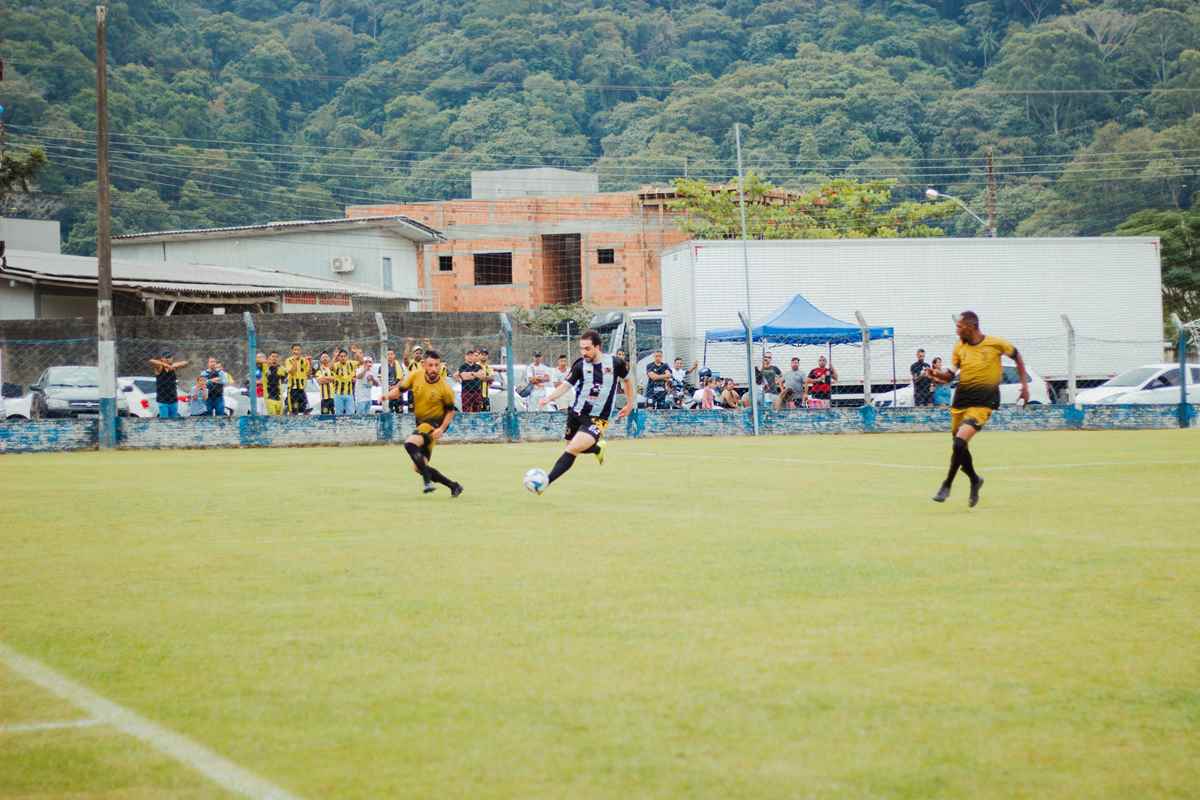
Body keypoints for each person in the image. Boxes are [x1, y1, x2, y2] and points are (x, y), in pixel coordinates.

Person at [926, 311, 1029, 507]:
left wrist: (1025, 386)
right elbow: (950, 375)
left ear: (971, 327)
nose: (957, 331)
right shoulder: (959, 347)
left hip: (984, 402)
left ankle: (946, 484)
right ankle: (975, 479)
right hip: (961, 401)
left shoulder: (995, 344)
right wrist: (936, 375)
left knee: (958, 443)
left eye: (960, 327)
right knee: (960, 448)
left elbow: (1018, 357)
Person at [534, 329, 634, 491]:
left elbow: (628, 381)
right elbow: (566, 386)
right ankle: (597, 447)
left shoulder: (616, 363)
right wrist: (549, 398)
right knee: (572, 446)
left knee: (572, 448)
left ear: (598, 347)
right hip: (576, 414)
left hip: (598, 418)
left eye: (587, 348)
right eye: (581, 348)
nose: (584, 352)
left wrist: (630, 404)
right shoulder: (580, 365)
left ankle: (545, 482)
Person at [382, 350, 463, 496]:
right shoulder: (415, 375)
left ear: (440, 366)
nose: (434, 369)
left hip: (434, 424)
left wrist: (442, 429)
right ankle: (454, 486)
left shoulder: (445, 388)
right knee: (418, 467)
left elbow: (451, 411)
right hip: (421, 424)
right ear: (423, 365)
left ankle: (427, 482)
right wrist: (386, 396)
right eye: (430, 365)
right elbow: (399, 390)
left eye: (436, 365)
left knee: (410, 444)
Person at [148, 352, 188, 418]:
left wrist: (173, 366)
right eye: (166, 358)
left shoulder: (173, 367)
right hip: (163, 400)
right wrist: (165, 365)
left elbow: (185, 363)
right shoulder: (160, 368)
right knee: (164, 421)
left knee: (173, 421)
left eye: (169, 357)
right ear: (162, 359)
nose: (168, 359)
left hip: (173, 399)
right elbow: (151, 361)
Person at [284, 344, 311, 414]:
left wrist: (310, 362)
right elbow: (291, 372)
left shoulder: (305, 360)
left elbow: (308, 374)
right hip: (293, 389)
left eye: (298, 349)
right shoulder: (288, 360)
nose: (296, 351)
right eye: (295, 349)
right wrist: (295, 361)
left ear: (300, 351)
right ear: (292, 351)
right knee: (293, 410)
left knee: (304, 410)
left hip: (302, 388)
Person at [260, 351, 287, 415]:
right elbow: (258, 360)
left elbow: (287, 373)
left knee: (279, 417)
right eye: (273, 356)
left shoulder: (281, 368)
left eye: (276, 357)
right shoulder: (265, 367)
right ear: (269, 357)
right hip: (269, 397)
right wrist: (266, 361)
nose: (274, 358)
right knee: (272, 416)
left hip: (279, 397)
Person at [331, 349, 356, 415]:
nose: (343, 358)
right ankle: (339, 425)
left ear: (347, 357)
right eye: (341, 356)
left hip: (349, 394)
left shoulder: (351, 364)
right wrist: (334, 357)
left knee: (350, 414)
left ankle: (350, 425)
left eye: (344, 356)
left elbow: (361, 362)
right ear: (339, 357)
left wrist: (356, 353)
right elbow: (330, 367)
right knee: (338, 414)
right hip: (338, 394)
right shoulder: (336, 365)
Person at [385, 348, 404, 413]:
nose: (390, 356)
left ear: (394, 355)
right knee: (388, 414)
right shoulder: (383, 366)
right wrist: (388, 386)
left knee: (400, 414)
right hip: (388, 393)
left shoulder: (399, 365)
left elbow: (402, 379)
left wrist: (395, 386)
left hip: (398, 393)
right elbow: (381, 380)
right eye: (388, 354)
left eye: (391, 354)